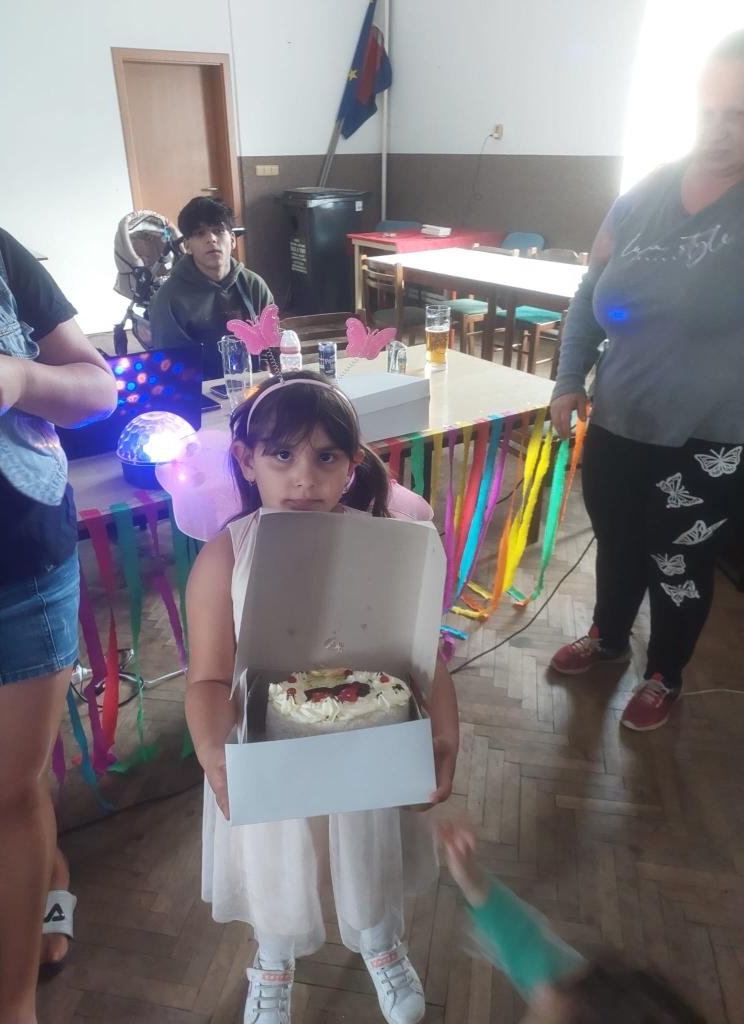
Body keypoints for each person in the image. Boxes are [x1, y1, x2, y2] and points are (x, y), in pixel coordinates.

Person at [184, 370, 459, 1024]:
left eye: (325, 457)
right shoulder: (226, 557)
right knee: (279, 862)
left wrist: (445, 735)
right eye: (282, 455)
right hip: (266, 750)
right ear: (247, 460)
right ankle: (273, 960)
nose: (303, 478)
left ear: (352, 464)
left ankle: (380, 942)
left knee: (367, 854)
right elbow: (209, 678)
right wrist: (214, 754)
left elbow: (422, 658)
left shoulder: (383, 544)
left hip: (368, 739)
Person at [548, 29, 744, 731]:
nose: (717, 130)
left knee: (678, 559)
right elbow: (589, 292)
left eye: (737, 114)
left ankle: (665, 672)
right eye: (707, 112)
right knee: (617, 540)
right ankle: (608, 638)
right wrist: (568, 378)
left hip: (709, 437)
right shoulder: (643, 196)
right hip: (617, 417)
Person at [0, 217, 117, 1024]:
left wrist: (19, 377)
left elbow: (100, 390)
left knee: (3, 789)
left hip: (15, 566)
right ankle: (47, 871)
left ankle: (16, 993)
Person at [438, 820, 706, 1024]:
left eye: (539, 1015)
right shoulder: (575, 988)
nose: (543, 991)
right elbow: (525, 942)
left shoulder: (574, 998)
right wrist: (470, 877)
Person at [149, 196, 274, 378]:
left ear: (232, 240)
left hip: (254, 384)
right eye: (200, 233)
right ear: (187, 246)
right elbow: (172, 365)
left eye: (218, 230)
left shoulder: (254, 285)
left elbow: (271, 346)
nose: (211, 239)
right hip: (199, 389)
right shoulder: (168, 299)